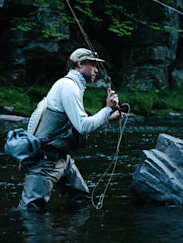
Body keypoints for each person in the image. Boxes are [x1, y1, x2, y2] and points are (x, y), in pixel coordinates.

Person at [19, 47, 126, 211]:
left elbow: (75, 126)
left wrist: (108, 119)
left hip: (61, 159)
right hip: (45, 161)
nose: (97, 69)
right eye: (93, 65)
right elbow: (83, 127)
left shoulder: (72, 86)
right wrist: (106, 109)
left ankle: (65, 235)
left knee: (82, 201)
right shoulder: (69, 87)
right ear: (80, 64)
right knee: (30, 212)